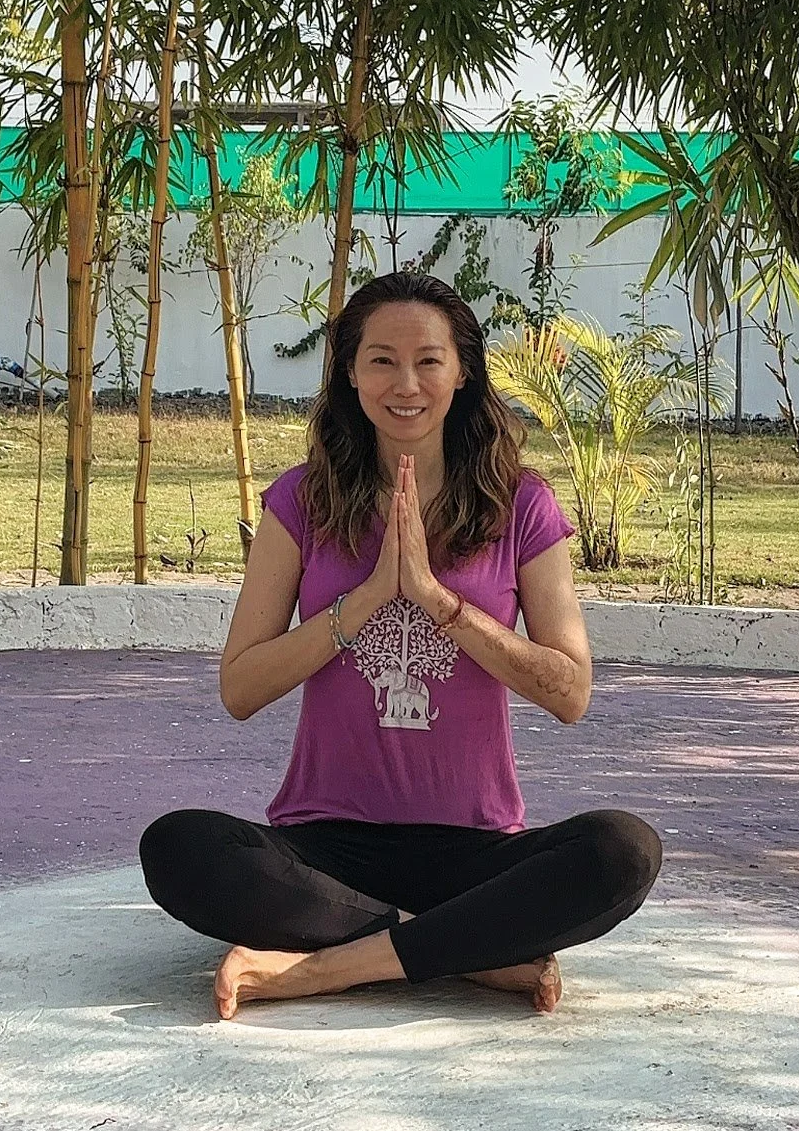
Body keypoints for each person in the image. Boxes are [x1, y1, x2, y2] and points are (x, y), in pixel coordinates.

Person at [140, 272, 662, 1020]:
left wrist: (437, 598)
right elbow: (242, 686)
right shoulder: (302, 500)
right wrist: (370, 596)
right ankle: (464, 951)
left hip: (474, 852)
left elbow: (570, 690)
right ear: (350, 374)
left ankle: (326, 966)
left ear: (463, 371)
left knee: (623, 850)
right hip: (324, 849)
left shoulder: (523, 504)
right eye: (381, 359)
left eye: (429, 360)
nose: (406, 383)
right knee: (179, 848)